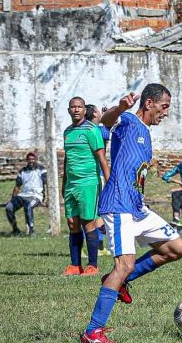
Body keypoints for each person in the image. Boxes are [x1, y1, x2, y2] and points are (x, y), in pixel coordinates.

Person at [81, 84, 182, 343]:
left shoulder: (145, 132)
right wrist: (120, 108)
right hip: (118, 204)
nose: (165, 113)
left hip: (137, 207)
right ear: (149, 103)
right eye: (164, 107)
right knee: (124, 264)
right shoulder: (126, 119)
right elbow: (102, 124)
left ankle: (117, 280)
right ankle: (93, 332)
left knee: (176, 248)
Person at [63, 96, 110, 277]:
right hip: (71, 185)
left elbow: (102, 158)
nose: (76, 110)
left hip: (88, 183)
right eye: (73, 107)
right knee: (72, 223)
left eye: (79, 107)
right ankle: (75, 265)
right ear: (69, 110)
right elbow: (67, 159)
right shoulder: (67, 132)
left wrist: (108, 183)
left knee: (88, 223)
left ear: (84, 110)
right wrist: (64, 183)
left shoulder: (92, 130)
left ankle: (92, 265)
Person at [86, 104, 112, 255]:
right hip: (98, 174)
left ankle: (93, 244)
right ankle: (98, 244)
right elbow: (108, 131)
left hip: (87, 175)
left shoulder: (84, 129)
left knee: (91, 210)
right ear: (95, 113)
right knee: (100, 210)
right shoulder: (98, 130)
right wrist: (108, 116)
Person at [5, 151, 47, 236]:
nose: (31, 161)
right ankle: (15, 230)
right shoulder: (22, 171)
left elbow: (47, 183)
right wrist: (13, 198)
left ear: (35, 159)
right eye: (29, 159)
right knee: (9, 207)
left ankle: (31, 231)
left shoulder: (41, 169)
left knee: (28, 205)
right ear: (26, 160)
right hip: (24, 195)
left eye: (33, 159)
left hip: (36, 195)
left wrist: (47, 199)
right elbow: (17, 186)